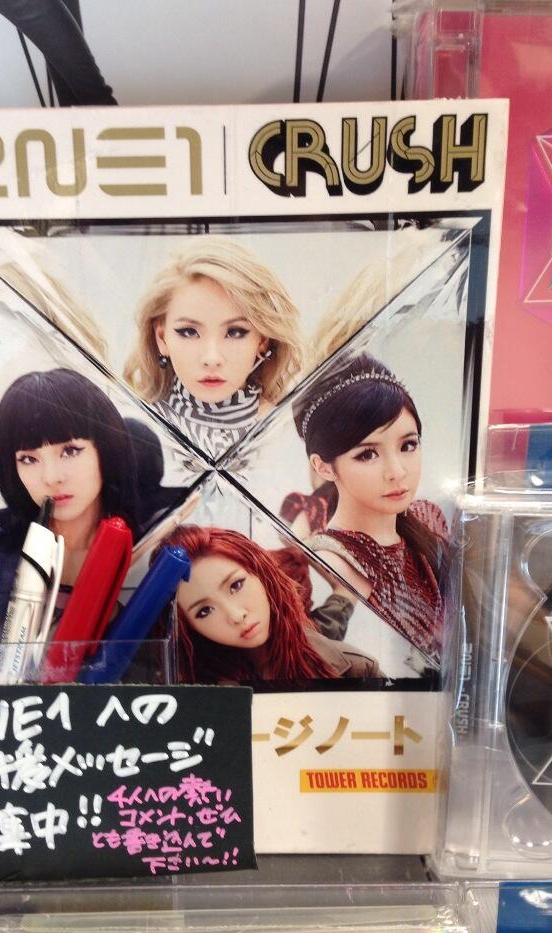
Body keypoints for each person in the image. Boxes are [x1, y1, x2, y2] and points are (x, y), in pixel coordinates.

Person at [293, 353, 448, 658]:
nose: (397, 472)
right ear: (323, 467)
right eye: (367, 454)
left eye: (408, 445)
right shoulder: (331, 561)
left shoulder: (428, 519)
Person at [123, 237, 305, 456]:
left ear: (263, 341)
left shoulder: (294, 435)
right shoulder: (128, 432)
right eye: (189, 332)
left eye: (235, 332)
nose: (211, 358)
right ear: (161, 338)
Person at [0, 368, 139, 617]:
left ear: (105, 449)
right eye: (29, 459)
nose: (52, 477)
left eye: (70, 451)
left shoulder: (147, 544)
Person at [154, 524, 381, 688]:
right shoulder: (189, 692)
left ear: (262, 574)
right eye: (204, 611)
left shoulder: (357, 669)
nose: (236, 615)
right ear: (188, 625)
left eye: (236, 585)